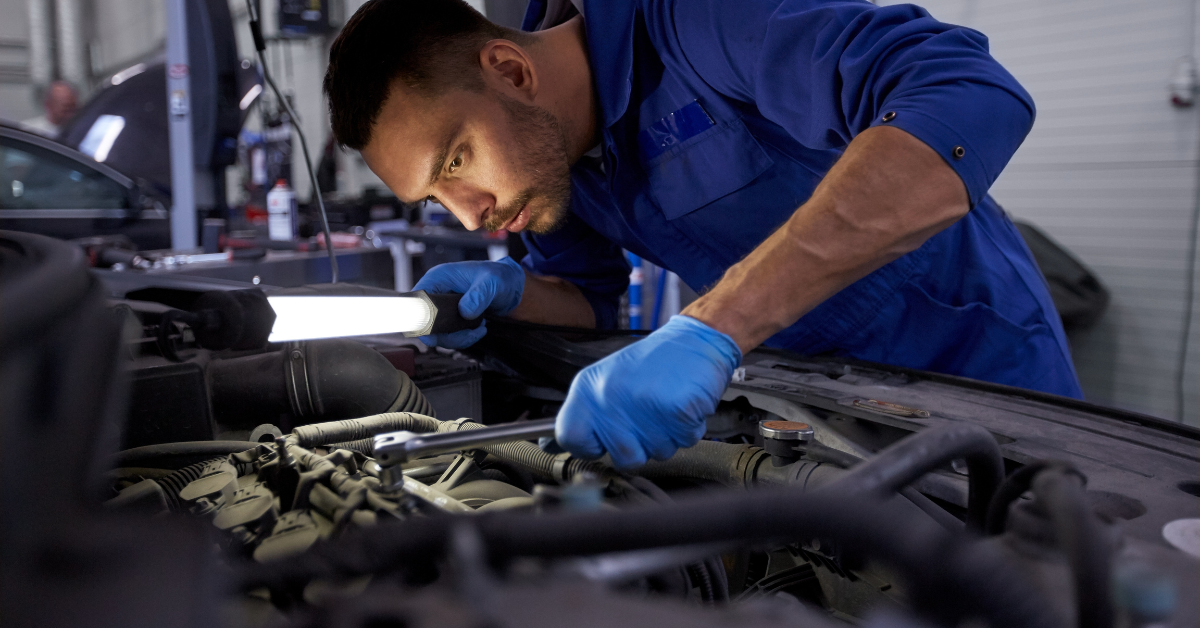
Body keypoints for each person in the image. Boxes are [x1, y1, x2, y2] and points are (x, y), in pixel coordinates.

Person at [323, 0, 1084, 467]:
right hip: (811, 415)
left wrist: (713, 328)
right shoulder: (551, 168)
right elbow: (589, 304)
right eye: (436, 195)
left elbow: (968, 93)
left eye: (456, 160)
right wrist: (515, 294)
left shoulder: (697, 19)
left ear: (511, 71)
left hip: (986, 380)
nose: (468, 213)